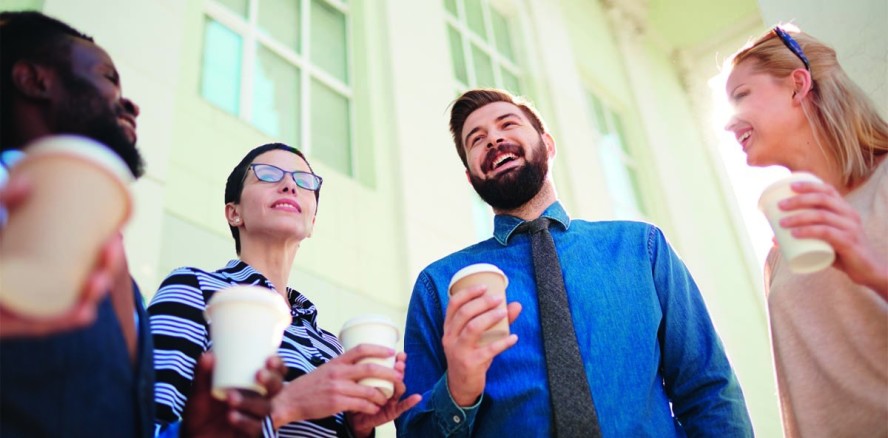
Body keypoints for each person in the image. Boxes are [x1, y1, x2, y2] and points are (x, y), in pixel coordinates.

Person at [395, 88, 753, 437]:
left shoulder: (642, 249)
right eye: (477, 139)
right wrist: (458, 392)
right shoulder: (439, 286)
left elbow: (708, 390)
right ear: (471, 177)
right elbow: (412, 430)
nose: (493, 139)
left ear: (548, 145)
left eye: (508, 124)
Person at [0, 11, 285, 437]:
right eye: (107, 78)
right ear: (34, 80)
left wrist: (192, 432)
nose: (130, 104)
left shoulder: (118, 271)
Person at [149, 143, 422, 437]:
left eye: (304, 182)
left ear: (312, 223)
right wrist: (287, 405)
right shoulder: (194, 289)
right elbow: (142, 422)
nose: (290, 185)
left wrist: (358, 429)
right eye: (268, 174)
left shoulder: (330, 345)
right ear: (234, 213)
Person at [723, 25, 888, 437]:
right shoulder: (782, 252)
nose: (728, 123)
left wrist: (872, 269)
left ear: (797, 85)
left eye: (741, 95)